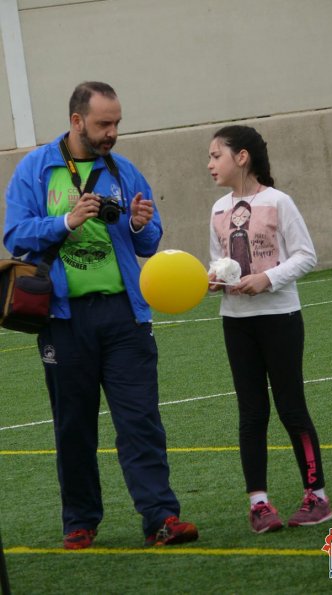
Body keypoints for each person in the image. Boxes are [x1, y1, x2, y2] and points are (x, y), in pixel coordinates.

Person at [3, 81, 198, 549]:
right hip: (63, 320)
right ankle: (80, 521)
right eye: (103, 124)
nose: (112, 133)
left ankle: (161, 518)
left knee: (141, 420)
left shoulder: (123, 169)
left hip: (124, 316)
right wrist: (66, 221)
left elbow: (149, 241)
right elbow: (15, 235)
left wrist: (139, 222)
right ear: (76, 122)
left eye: (116, 124)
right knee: (73, 424)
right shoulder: (35, 169)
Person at [207, 125, 332, 533]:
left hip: (280, 319)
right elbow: (219, 261)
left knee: (291, 407)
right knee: (251, 413)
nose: (210, 164)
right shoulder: (217, 210)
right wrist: (215, 280)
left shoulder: (279, 202)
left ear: (242, 157)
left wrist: (268, 278)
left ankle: (317, 496)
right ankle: (259, 504)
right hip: (236, 324)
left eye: (216, 156)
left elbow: (305, 256)